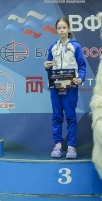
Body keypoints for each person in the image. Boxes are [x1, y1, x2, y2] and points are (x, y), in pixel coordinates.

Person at [44, 17, 86, 159]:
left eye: (64, 27)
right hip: (55, 86)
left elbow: (82, 66)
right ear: (56, 30)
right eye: (59, 28)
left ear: (68, 29)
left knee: (70, 116)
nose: (61, 30)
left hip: (70, 86)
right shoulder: (53, 47)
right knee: (56, 116)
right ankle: (57, 145)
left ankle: (71, 147)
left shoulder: (76, 46)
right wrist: (46, 66)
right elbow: (49, 65)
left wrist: (80, 78)